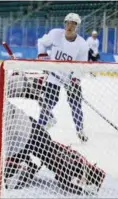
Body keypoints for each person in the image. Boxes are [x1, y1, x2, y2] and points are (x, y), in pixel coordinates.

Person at [0, 73, 106, 195]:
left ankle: (30, 166)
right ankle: (83, 171)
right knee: (50, 153)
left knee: (14, 178)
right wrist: (32, 84)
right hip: (28, 127)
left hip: (15, 144)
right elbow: (12, 83)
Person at [37, 13, 89, 142]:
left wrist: (75, 80)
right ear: (65, 23)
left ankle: (80, 129)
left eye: (73, 23)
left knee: (75, 104)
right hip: (53, 76)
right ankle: (40, 128)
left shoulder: (82, 44)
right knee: (49, 102)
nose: (70, 26)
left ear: (77, 26)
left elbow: (81, 66)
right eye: (68, 22)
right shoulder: (55, 34)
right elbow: (41, 43)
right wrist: (42, 54)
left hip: (69, 78)